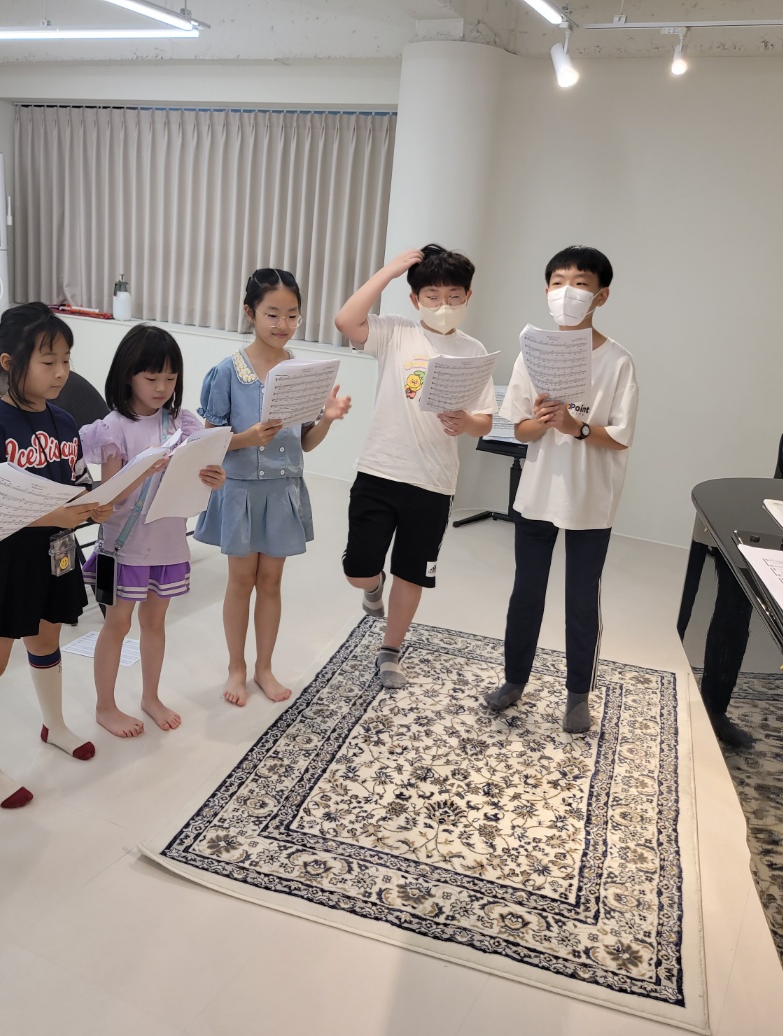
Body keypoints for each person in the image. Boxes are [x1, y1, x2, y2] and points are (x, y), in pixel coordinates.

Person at [0, 302, 114, 808]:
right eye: (48, 361)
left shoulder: (64, 420)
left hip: (56, 554)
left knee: (47, 638)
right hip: (4, 561)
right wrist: (57, 515)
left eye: (66, 360)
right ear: (10, 363)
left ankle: (55, 725)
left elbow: (75, 481)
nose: (61, 372)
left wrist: (94, 503)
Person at [485, 245, 638, 733]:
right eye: (557, 283)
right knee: (525, 593)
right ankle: (514, 681)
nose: (566, 293)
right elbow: (520, 429)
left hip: (591, 499)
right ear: (546, 290)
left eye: (580, 284)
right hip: (537, 493)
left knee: (581, 599)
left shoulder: (618, 361)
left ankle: (578, 696)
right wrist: (545, 421)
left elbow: (621, 436)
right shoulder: (532, 353)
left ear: (601, 295)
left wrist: (578, 428)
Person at [334, 244, 495, 688]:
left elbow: (484, 421)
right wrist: (389, 271)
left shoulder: (473, 350)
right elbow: (346, 321)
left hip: (434, 482)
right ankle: (372, 587)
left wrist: (466, 422)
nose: (443, 305)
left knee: (412, 573)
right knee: (358, 571)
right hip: (380, 470)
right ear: (414, 299)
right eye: (432, 296)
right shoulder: (395, 332)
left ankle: (390, 651)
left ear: (468, 296)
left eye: (454, 296)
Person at [195, 269, 351, 706]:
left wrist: (328, 419)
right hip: (241, 491)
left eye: (292, 315)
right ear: (250, 312)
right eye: (272, 314)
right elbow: (208, 441)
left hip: (283, 491)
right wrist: (246, 438)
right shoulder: (226, 372)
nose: (283, 324)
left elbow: (305, 443)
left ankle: (264, 667)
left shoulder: (302, 372)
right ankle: (236, 668)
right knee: (240, 580)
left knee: (271, 582)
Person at [81, 324, 225, 737]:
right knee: (117, 624)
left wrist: (215, 479)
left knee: (156, 622)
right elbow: (109, 498)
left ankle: (150, 697)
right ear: (128, 375)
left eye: (170, 377)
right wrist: (144, 467)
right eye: (151, 377)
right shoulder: (114, 427)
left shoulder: (183, 423)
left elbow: (198, 480)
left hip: (167, 541)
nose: (162, 387)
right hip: (126, 546)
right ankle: (105, 706)